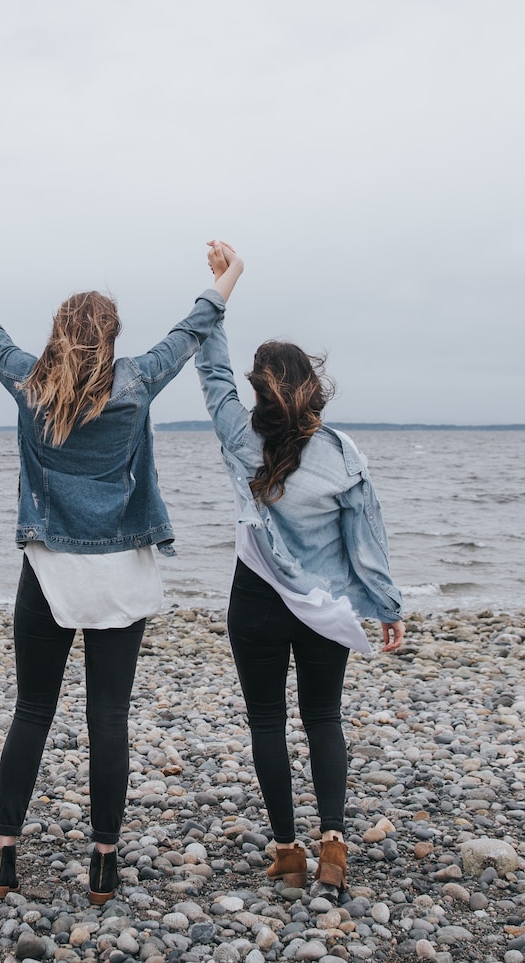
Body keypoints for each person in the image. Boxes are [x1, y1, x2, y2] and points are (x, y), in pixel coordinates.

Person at [0, 218, 242, 903]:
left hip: (47, 572)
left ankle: (4, 855)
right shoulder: (138, 381)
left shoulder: (29, 382)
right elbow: (193, 329)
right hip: (121, 571)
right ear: (113, 336)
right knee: (108, 718)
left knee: (32, 709)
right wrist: (227, 272)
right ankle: (102, 863)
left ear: (58, 334)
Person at [193, 240, 405, 893]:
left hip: (254, 601)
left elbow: (209, 364)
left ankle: (287, 851)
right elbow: (366, 536)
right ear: (310, 386)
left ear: (259, 390)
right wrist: (385, 605)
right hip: (324, 603)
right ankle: (334, 846)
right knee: (323, 716)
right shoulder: (342, 452)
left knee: (266, 720)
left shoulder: (239, 436)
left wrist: (224, 286)